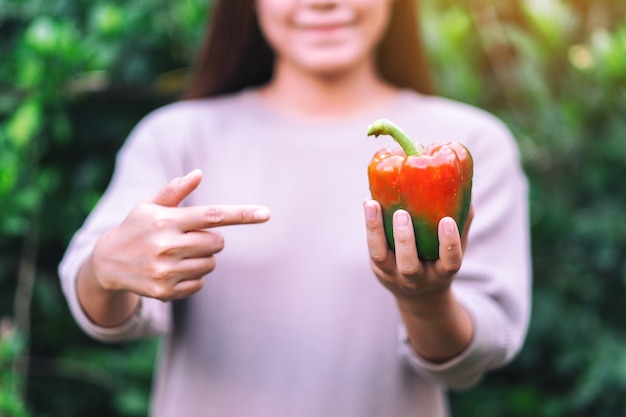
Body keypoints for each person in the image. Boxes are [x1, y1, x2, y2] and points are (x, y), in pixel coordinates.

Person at [59, 0, 531, 416]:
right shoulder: (176, 137)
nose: (323, 2)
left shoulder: (474, 144)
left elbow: (479, 349)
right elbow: (96, 296)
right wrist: (106, 267)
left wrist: (425, 300)